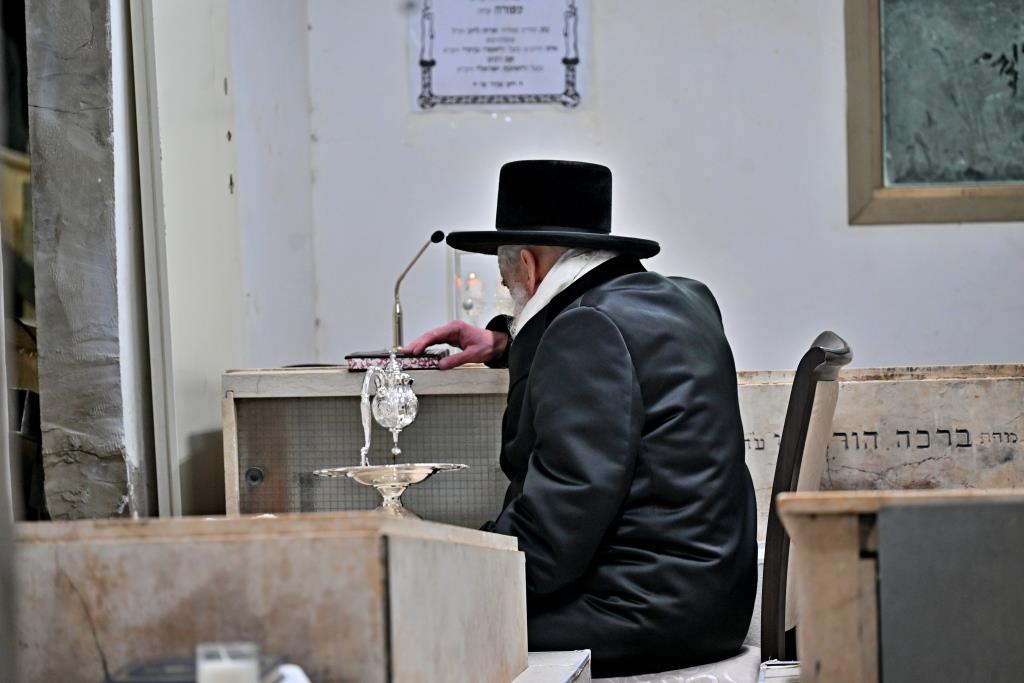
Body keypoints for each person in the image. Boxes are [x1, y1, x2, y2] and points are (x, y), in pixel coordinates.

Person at [406, 160, 756, 678]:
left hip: (637, 612)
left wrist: (448, 579)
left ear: (529, 267)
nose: (509, 292)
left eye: (507, 282)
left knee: (417, 628)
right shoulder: (688, 299)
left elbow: (554, 532)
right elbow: (618, 355)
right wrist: (505, 340)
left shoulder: (585, 332)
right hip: (712, 603)